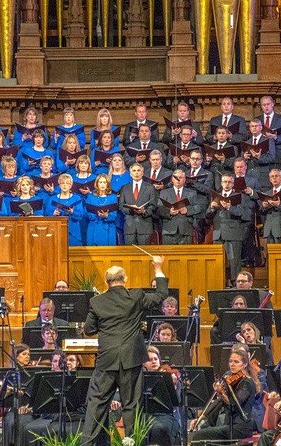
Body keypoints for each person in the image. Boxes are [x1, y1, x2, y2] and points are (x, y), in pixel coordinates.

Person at [81, 256, 168, 445]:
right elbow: (162, 295)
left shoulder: (97, 302)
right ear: (125, 279)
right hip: (131, 358)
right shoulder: (135, 296)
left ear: (107, 282)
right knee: (131, 405)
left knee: (97, 403)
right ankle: (133, 442)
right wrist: (158, 268)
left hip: (107, 359)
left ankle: (87, 443)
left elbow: (88, 330)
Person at [190, 348, 257, 441]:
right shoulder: (231, 380)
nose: (232, 364)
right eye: (230, 361)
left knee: (200, 435)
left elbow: (234, 404)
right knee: (202, 430)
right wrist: (200, 418)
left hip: (240, 427)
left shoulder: (247, 382)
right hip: (229, 425)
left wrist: (222, 393)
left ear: (245, 364)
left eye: (236, 362)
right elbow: (218, 402)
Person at [157, 169, 202, 244]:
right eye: (176, 177)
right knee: (168, 255)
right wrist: (169, 212)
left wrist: (187, 210)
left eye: (180, 177)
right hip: (169, 230)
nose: (178, 180)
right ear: (172, 179)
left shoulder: (192, 193)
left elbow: (199, 207)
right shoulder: (164, 193)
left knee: (185, 255)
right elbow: (159, 209)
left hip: (186, 230)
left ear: (184, 179)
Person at [118, 163, 157, 245]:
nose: (136, 173)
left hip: (145, 226)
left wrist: (144, 211)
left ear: (142, 173)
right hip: (129, 227)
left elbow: (153, 205)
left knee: (145, 256)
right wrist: (130, 210)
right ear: (130, 174)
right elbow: (121, 206)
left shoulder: (150, 187)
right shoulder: (124, 188)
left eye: (138, 170)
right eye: (134, 171)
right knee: (129, 255)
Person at [85, 174, 118, 246]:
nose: (102, 184)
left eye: (104, 182)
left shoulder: (113, 197)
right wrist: (96, 214)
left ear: (108, 184)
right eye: (100, 182)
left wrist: (106, 216)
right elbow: (87, 212)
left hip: (108, 227)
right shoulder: (91, 196)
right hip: (94, 227)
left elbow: (114, 215)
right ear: (97, 184)